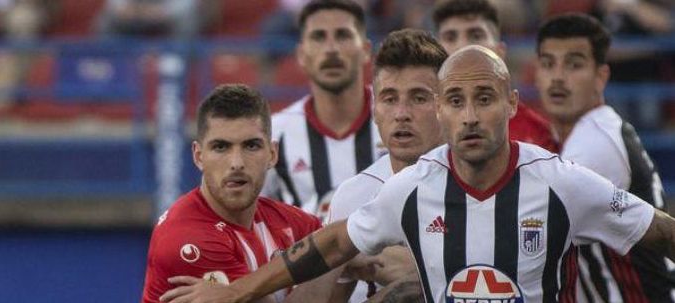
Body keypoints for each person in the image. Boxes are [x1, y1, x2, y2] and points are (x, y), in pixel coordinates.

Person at [159, 46, 675, 303]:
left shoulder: (565, 183)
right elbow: (332, 245)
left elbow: (660, 232)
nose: (470, 115)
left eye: (484, 99)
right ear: (443, 112)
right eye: (456, 101)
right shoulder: (411, 188)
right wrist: (234, 292)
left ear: (512, 105)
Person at [534, 13, 674, 302]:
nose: (558, 76)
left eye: (574, 64)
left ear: (601, 77)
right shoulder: (590, 131)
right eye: (548, 64)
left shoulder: (595, 143)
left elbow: (527, 234)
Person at [140, 84, 321, 303]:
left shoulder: (287, 222)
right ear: (198, 156)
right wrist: (333, 261)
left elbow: (348, 255)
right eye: (221, 147)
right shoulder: (186, 240)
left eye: (251, 146)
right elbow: (335, 254)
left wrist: (344, 256)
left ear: (272, 154)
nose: (237, 163)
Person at [323, 28, 447, 302]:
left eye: (419, 98)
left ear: (446, 105)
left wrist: (371, 252)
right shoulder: (351, 196)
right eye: (390, 99)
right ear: (374, 110)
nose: (402, 114)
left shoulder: (481, 184)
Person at [261, 0, 384, 220]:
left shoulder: (399, 118)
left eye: (343, 35)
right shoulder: (274, 134)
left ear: (366, 50)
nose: (331, 49)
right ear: (301, 55)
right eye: (318, 37)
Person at [432, 0, 559, 152]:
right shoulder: (416, 121)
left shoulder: (535, 134)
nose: (462, 46)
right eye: (450, 37)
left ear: (500, 52)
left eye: (475, 35)